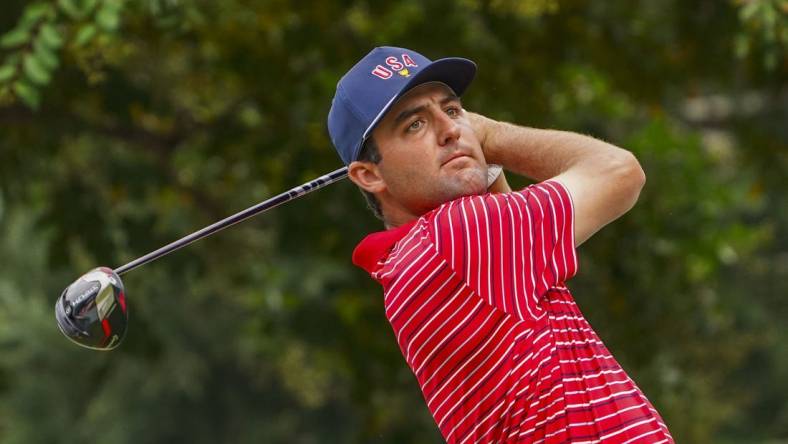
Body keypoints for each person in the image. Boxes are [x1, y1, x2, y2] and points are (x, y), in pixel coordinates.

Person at [328, 46, 674, 443]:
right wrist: (489, 135)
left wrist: (469, 156)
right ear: (369, 175)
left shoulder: (415, 259)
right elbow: (619, 171)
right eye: (414, 126)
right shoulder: (458, 234)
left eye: (453, 110)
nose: (450, 130)